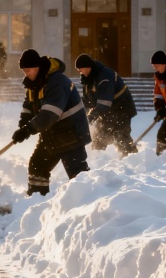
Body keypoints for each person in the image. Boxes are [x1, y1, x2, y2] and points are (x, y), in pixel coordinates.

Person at [11, 50, 91, 196]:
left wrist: (28, 129)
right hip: (52, 134)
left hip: (71, 134)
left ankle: (92, 204)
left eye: (28, 70)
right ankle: (37, 200)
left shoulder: (57, 81)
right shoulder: (34, 83)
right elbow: (29, 105)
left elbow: (49, 114)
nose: (26, 74)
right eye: (24, 71)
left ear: (37, 68)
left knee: (78, 176)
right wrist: (23, 123)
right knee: (37, 166)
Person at [75, 53, 138, 156]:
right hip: (106, 111)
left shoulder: (105, 75)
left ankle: (132, 158)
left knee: (120, 135)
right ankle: (98, 162)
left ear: (88, 67)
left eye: (81, 69)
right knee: (99, 137)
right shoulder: (88, 80)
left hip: (121, 108)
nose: (80, 72)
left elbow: (105, 101)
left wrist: (91, 116)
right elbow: (87, 101)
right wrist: (82, 115)